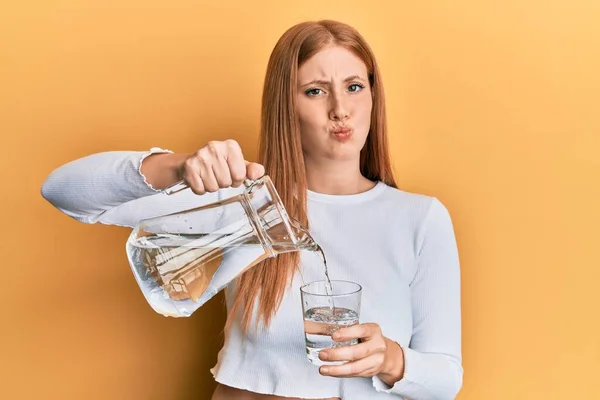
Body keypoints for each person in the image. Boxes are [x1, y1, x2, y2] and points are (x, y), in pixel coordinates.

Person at [41, 20, 463, 400]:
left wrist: (390, 359)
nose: (340, 109)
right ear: (286, 106)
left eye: (355, 86)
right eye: (315, 91)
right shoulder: (246, 201)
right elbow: (62, 190)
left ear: (373, 95)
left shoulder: (420, 219)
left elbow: (446, 378)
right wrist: (178, 167)